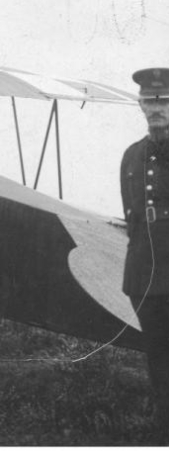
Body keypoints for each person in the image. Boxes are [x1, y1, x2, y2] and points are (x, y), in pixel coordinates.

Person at [121, 67, 169, 438]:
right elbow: (132, 215)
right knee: (157, 355)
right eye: (150, 101)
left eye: (164, 100)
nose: (157, 108)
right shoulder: (132, 155)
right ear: (140, 104)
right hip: (146, 275)